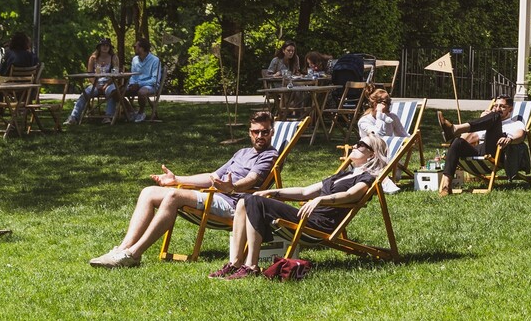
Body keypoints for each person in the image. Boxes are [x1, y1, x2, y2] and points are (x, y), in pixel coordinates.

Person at [90, 110, 280, 268]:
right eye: (256, 132)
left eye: (265, 132)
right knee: (148, 192)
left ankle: (133, 254)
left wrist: (232, 187)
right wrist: (176, 179)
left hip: (233, 203)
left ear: (271, 133)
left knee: (173, 196)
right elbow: (212, 176)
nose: (260, 136)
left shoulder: (269, 155)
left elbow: (251, 179)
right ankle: (123, 248)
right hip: (215, 195)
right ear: (249, 132)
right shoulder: (242, 152)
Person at [211, 132, 389, 279]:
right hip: (307, 217)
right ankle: (235, 263)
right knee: (245, 199)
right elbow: (305, 192)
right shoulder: (342, 175)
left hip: (318, 225)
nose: (355, 146)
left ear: (372, 154)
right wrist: (274, 192)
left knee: (254, 201)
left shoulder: (366, 178)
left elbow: (351, 195)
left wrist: (321, 199)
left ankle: (251, 266)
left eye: (361, 145)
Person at [435, 96, 529, 194]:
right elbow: (466, 139)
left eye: (502, 106)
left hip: (497, 150)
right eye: (495, 106)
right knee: (457, 142)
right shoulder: (488, 121)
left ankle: (455, 129)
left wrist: (510, 139)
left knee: (495, 116)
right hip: (480, 149)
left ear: (511, 109)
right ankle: (446, 186)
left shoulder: (515, 123)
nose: (497, 108)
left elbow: (521, 136)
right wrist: (482, 119)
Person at [68, 37, 122, 125]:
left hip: (110, 82)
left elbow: (115, 74)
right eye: (103, 45)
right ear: (99, 47)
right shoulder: (93, 58)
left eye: (107, 46)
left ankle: (108, 116)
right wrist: (96, 85)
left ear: (110, 48)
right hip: (96, 82)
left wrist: (107, 84)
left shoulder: (114, 58)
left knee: (111, 92)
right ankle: (74, 117)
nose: (105, 47)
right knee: (85, 94)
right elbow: (89, 74)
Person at [126, 38, 161, 122]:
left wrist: (139, 84)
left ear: (142, 48)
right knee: (116, 92)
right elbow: (133, 75)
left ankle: (141, 113)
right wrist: (132, 84)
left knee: (142, 92)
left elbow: (155, 79)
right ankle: (131, 111)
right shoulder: (134, 59)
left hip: (150, 85)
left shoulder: (155, 60)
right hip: (136, 84)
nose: (134, 48)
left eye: (135, 47)